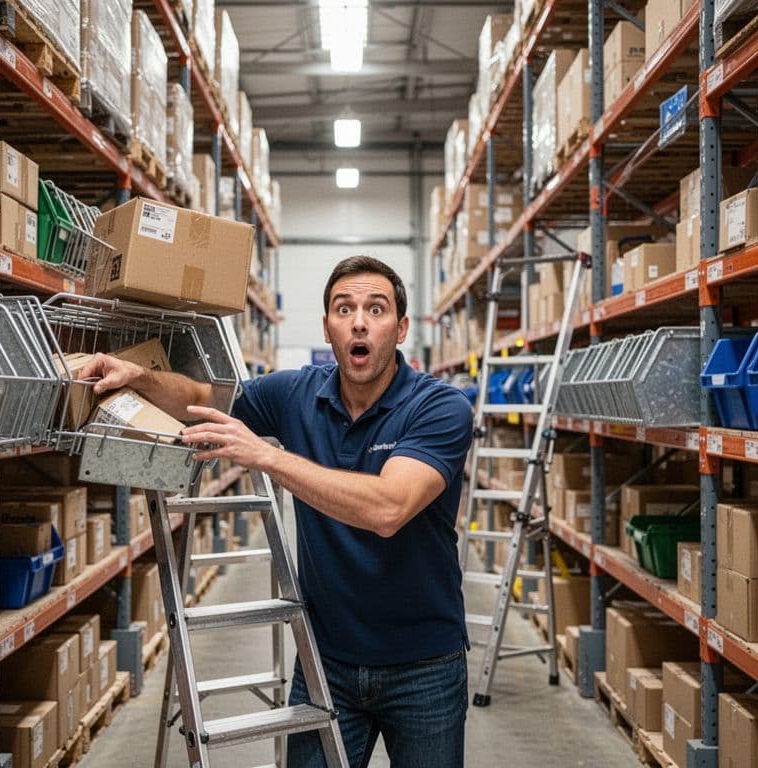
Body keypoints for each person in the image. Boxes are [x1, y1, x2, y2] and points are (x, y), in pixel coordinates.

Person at [81, 255, 474, 767]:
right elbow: (203, 396)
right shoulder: (295, 394)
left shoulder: (440, 407)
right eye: (344, 308)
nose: (359, 321)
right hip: (325, 664)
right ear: (328, 328)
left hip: (424, 667)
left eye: (376, 309)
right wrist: (141, 376)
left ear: (400, 329)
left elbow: (389, 508)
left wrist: (267, 455)